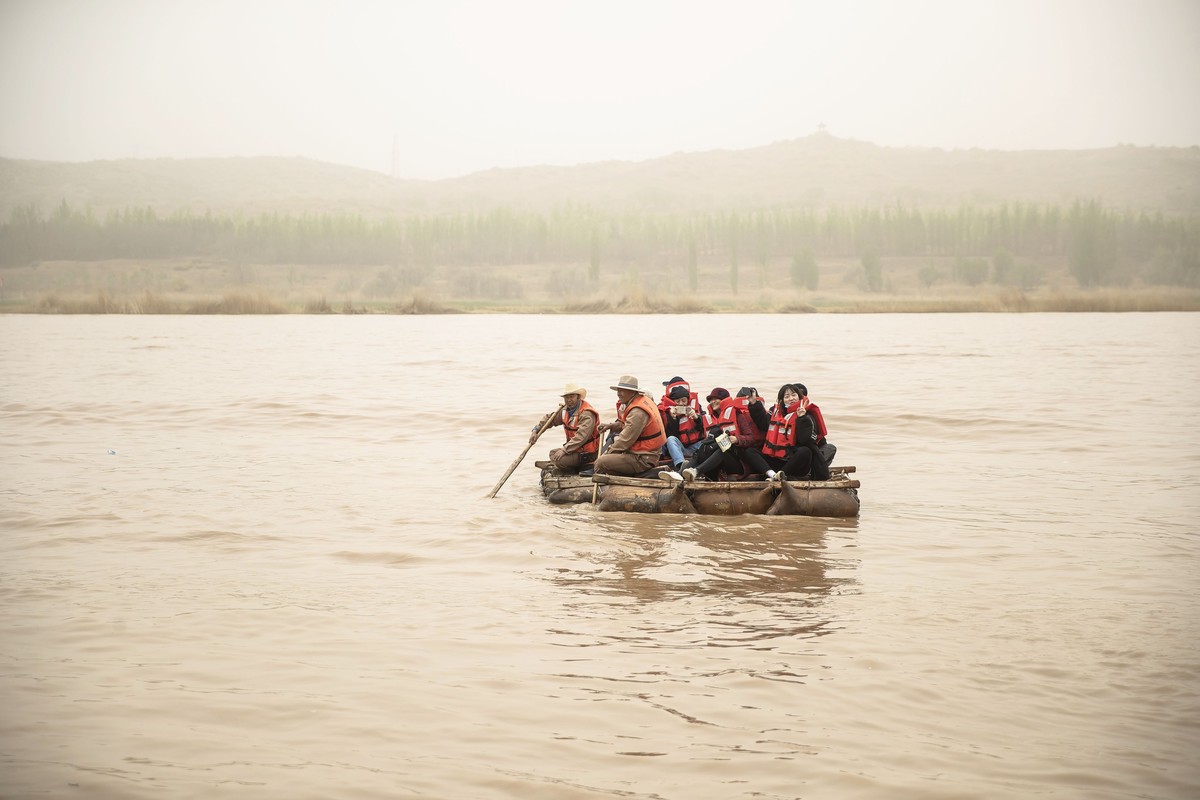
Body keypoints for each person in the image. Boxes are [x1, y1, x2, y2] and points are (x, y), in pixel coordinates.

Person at [741, 383, 831, 482]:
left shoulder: (807, 414)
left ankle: (781, 475)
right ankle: (772, 475)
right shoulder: (775, 411)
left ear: (799, 397)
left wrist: (802, 418)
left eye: (794, 395)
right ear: (782, 400)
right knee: (750, 451)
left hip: (794, 462)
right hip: (776, 460)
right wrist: (754, 403)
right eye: (787, 396)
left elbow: (805, 440)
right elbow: (763, 424)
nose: (791, 399)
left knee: (805, 451)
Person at [594, 375, 668, 477]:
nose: (618, 394)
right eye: (618, 390)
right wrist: (610, 426)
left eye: (622, 391)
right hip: (643, 453)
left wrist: (607, 454)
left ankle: (642, 474)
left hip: (643, 457)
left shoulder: (637, 411)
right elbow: (626, 425)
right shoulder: (640, 402)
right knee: (606, 460)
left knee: (601, 462)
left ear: (632, 392)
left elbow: (625, 440)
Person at [675, 387, 746, 481]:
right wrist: (695, 418)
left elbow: (751, 437)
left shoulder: (737, 415)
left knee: (722, 450)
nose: (712, 402)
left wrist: (737, 439)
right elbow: (701, 426)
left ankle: (696, 471)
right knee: (702, 449)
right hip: (714, 463)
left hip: (735, 460)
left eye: (716, 399)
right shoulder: (709, 419)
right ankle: (678, 475)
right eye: (711, 400)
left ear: (724, 400)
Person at [530, 382, 600, 472]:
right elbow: (549, 419)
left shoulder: (586, 413)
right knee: (553, 453)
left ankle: (578, 468)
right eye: (566, 397)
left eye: (571, 397)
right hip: (574, 450)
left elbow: (581, 437)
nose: (569, 400)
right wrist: (536, 430)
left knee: (559, 460)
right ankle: (570, 465)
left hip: (588, 453)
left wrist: (564, 450)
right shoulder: (565, 410)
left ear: (578, 397)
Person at [658, 377, 705, 471]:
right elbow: (669, 436)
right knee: (670, 439)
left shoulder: (695, 407)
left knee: (710, 440)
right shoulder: (667, 411)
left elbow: (705, 430)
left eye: (684, 401)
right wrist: (673, 418)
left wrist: (697, 418)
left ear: (688, 400)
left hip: (696, 445)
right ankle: (681, 465)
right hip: (680, 447)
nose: (681, 404)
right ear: (673, 401)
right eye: (678, 401)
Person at [794, 383, 837, 466]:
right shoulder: (781, 414)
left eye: (795, 395)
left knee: (830, 448)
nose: (793, 399)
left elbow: (820, 441)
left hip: (806, 453)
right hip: (795, 454)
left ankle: (814, 468)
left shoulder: (810, 415)